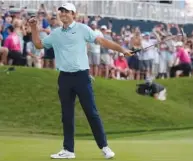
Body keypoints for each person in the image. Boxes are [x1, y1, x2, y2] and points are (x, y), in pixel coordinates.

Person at [28, 2, 132, 159]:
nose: (63, 14)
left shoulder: (83, 29)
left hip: (82, 77)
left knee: (91, 113)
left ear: (73, 15)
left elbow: (102, 41)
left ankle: (104, 147)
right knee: (67, 115)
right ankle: (68, 150)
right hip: (64, 78)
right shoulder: (56, 33)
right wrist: (34, 27)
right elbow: (38, 44)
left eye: (66, 12)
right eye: (61, 11)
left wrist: (122, 49)